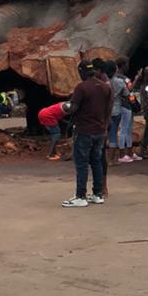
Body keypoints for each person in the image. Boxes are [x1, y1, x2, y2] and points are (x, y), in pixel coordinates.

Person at [62, 61, 112, 208]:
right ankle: (97, 194)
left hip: (84, 131)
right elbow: (108, 109)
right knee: (96, 161)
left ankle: (80, 196)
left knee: (82, 163)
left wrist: (65, 107)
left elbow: (73, 108)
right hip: (100, 131)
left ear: (82, 72)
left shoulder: (81, 87)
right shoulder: (105, 87)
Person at [105, 59, 131, 167]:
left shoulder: (102, 81)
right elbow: (126, 94)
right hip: (115, 110)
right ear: (115, 69)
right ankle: (110, 159)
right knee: (113, 134)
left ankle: (103, 157)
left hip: (103, 110)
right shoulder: (119, 82)